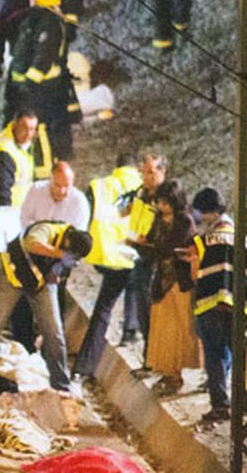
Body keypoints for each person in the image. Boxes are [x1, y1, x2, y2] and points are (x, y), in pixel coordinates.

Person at [0, 223, 93, 398]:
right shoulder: (49, 230)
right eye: (71, 252)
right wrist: (60, 254)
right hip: (10, 276)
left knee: (54, 332)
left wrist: (58, 270)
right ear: (68, 240)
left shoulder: (71, 250)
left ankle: (61, 387)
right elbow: (32, 243)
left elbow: (57, 273)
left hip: (40, 283)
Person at [72, 154, 143, 380]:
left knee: (103, 309)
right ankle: (131, 329)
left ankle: (84, 367)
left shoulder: (99, 185)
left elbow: (83, 217)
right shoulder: (145, 186)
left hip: (105, 254)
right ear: (135, 168)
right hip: (133, 253)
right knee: (135, 284)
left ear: (117, 167)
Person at [10, 161, 90, 352]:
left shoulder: (79, 202)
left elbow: (76, 240)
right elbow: (25, 220)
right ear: (50, 180)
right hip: (34, 250)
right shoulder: (36, 191)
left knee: (54, 301)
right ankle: (23, 347)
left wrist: (56, 261)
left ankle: (50, 349)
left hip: (60, 256)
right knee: (23, 299)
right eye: (58, 185)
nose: (62, 191)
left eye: (66, 186)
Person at [9, 0, 74, 161]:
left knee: (41, 129)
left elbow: (43, 58)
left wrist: (28, 84)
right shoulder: (38, 19)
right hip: (35, 89)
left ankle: (45, 171)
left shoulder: (50, 23)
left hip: (43, 89)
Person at [140, 181, 197, 395]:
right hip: (162, 279)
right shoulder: (157, 219)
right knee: (162, 327)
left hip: (179, 280)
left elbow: (175, 246)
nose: (161, 206)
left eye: (165, 202)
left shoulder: (184, 221)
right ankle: (166, 370)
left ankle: (176, 373)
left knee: (179, 328)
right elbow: (155, 244)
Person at [184, 188, 234, 421]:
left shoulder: (201, 241)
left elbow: (195, 274)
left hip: (209, 305)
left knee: (214, 356)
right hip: (236, 306)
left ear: (207, 212)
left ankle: (220, 407)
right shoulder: (239, 233)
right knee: (237, 356)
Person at [124, 153, 167, 362]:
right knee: (142, 310)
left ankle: (156, 358)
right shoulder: (141, 193)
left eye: (151, 172)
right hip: (138, 255)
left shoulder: (167, 198)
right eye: (144, 172)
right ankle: (148, 357)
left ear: (162, 172)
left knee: (153, 312)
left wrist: (146, 241)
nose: (146, 176)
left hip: (155, 259)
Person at [0, 109, 38, 208]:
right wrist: (7, 218)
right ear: (15, 125)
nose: (29, 134)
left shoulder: (20, 146)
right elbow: (1, 196)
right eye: (24, 128)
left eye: (32, 129)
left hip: (14, 214)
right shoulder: (3, 152)